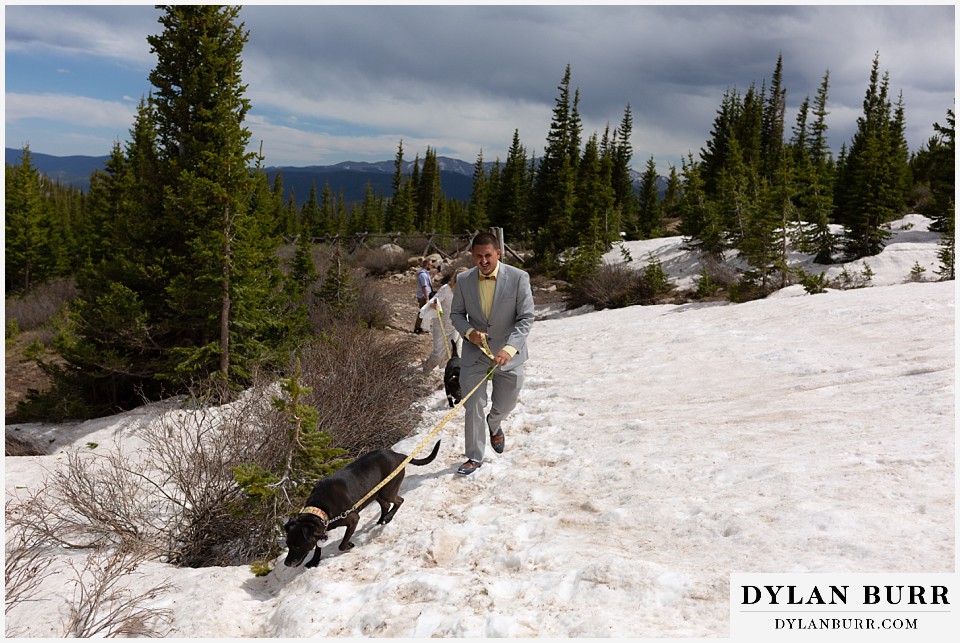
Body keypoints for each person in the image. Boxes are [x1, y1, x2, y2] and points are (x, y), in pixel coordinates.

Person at [450, 232, 535, 475]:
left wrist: (509, 349)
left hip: (509, 352)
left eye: (488, 255)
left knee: (507, 401)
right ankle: (474, 456)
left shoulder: (519, 278)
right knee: (473, 403)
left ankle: (494, 423)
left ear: (498, 253)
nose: (484, 261)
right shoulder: (464, 280)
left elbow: (526, 317)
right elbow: (456, 314)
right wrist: (469, 333)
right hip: (475, 351)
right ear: (472, 256)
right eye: (479, 256)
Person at [420, 267, 467, 372]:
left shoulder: (467, 292)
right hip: (441, 326)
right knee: (438, 353)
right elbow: (434, 300)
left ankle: (448, 373)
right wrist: (434, 304)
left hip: (456, 326)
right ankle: (426, 369)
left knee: (455, 351)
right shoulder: (446, 289)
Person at [412, 257, 434, 334]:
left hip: (426, 295)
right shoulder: (423, 275)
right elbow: (424, 287)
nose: (431, 266)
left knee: (425, 312)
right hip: (424, 296)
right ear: (426, 265)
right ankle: (417, 328)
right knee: (422, 311)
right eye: (430, 265)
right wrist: (427, 298)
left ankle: (422, 327)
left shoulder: (425, 274)